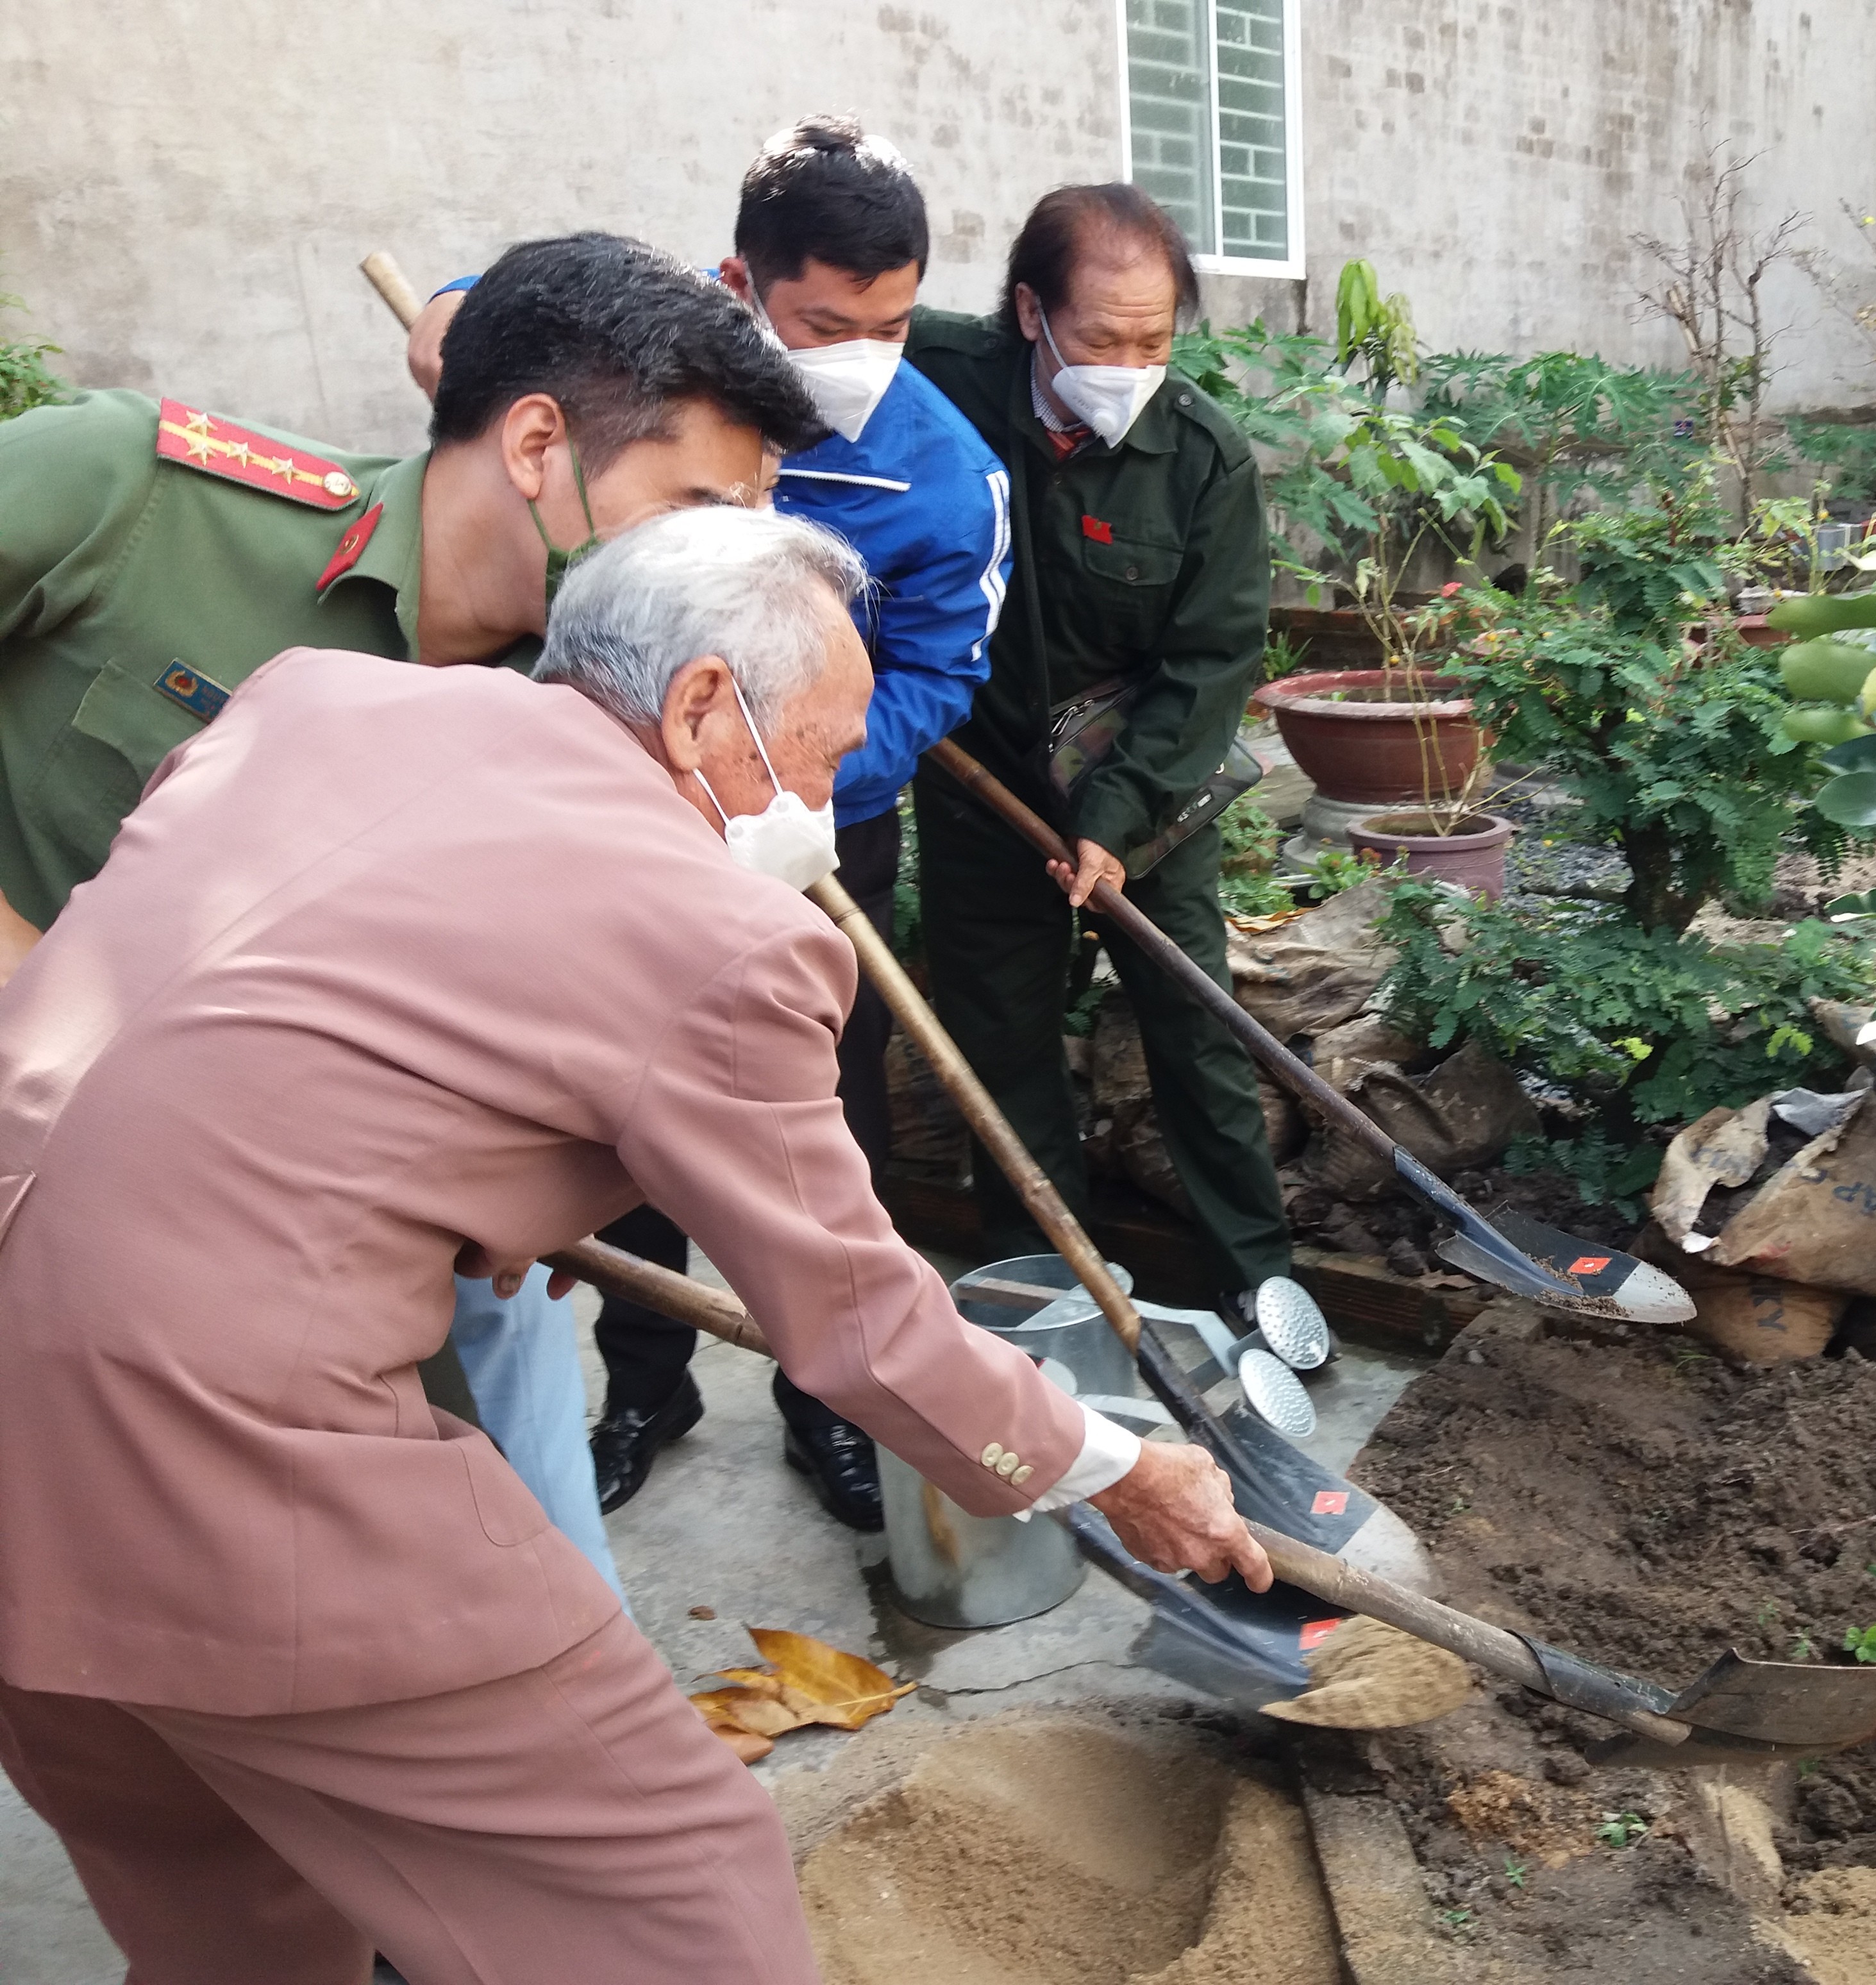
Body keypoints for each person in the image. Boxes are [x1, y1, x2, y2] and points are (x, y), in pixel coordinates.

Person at [0, 504, 1268, 1984]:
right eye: (821, 749)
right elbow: (861, 1325)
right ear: (702, 705)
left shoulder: (322, 698)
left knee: (239, 1921)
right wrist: (1112, 1471)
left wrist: (449, 1179)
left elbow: (259, 997)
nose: (826, 793)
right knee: (679, 1898)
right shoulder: (720, 937)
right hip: (227, 1476)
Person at [0, 230, 822, 1593]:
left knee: (450, 1589)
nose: (718, 568)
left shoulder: (589, 728)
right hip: (41, 1190)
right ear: (539, 444)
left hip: (318, 1260)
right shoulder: (144, 497)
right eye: (692, 506)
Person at [408, 120, 1012, 1531]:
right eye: (823, 322)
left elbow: (938, 674)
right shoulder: (640, 367)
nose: (859, 351)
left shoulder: (945, 470)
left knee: (825, 1112)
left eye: (893, 322)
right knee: (616, 1100)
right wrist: (450, 306)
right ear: (742, 282)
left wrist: (800, 788)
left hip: (800, 827)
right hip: (587, 804)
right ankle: (648, 1380)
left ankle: (832, 1404)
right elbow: (507, 316)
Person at [903, 185, 1294, 1326]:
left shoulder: (1202, 460)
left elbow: (1211, 664)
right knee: (1003, 1037)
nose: (1130, 365)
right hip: (978, 777)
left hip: (1146, 786)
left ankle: (1255, 1274)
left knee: (1194, 1024)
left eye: (1156, 341)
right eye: (1102, 339)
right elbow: (772, 318)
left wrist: (1114, 820)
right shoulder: (936, 376)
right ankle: (1045, 1280)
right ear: (1030, 312)